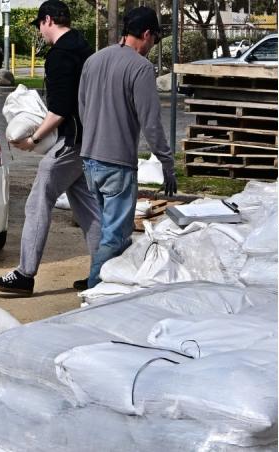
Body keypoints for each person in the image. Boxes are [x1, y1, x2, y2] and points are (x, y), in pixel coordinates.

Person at [0, 0, 100, 295]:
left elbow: (60, 109)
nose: (40, 31)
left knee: (38, 200)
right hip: (88, 138)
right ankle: (105, 272)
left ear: (47, 20)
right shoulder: (83, 48)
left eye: (39, 25)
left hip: (70, 141)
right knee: (87, 208)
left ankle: (25, 275)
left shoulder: (60, 55)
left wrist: (33, 140)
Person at [78, 6, 176, 289]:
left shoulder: (93, 61)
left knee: (107, 229)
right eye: (154, 40)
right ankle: (95, 287)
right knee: (116, 235)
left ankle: (110, 286)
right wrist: (167, 165)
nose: (152, 46)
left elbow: (82, 109)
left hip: (90, 160)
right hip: (117, 163)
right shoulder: (141, 68)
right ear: (147, 34)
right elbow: (152, 124)